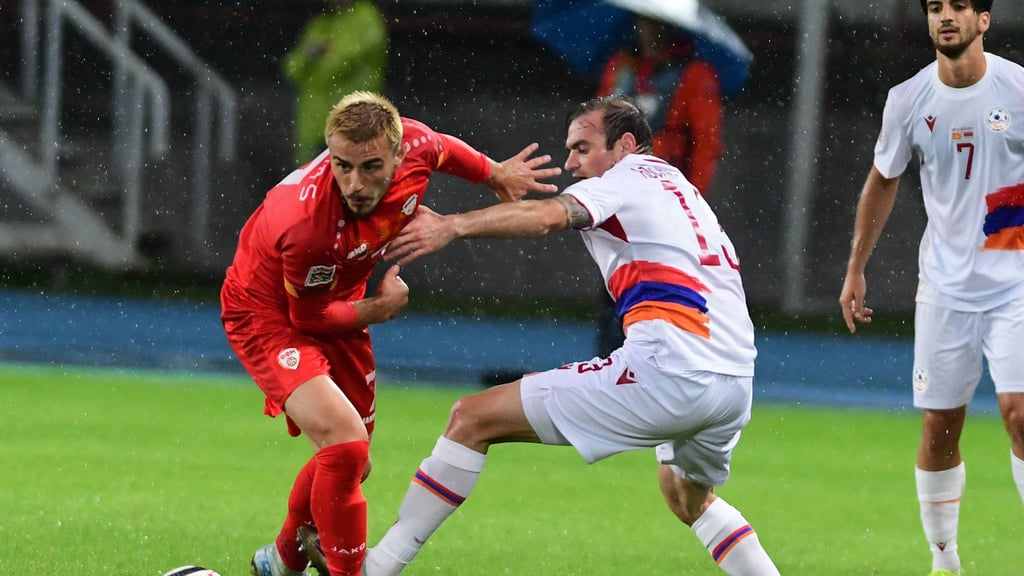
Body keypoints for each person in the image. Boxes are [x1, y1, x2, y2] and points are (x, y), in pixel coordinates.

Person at [358, 95, 780, 575]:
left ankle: (375, 568)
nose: (570, 162)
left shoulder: (624, 178)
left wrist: (452, 225)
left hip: (671, 370)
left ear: (624, 145)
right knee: (687, 497)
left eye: (582, 147)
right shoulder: (677, 186)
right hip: (735, 381)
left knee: (471, 418)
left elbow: (546, 217)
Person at [220, 90, 560, 576]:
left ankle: (281, 561)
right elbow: (308, 320)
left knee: (353, 463)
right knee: (344, 443)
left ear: (399, 155)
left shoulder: (415, 145)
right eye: (341, 166)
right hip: (270, 314)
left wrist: (495, 174)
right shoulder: (305, 222)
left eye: (370, 167)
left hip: (342, 297)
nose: (354, 184)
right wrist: (378, 309)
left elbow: (442, 146)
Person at [838, 2, 1024, 575]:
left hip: (1016, 282)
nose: (947, 16)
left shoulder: (1017, 89)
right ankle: (945, 562)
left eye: (960, 6)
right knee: (941, 426)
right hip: (945, 289)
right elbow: (883, 180)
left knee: (1020, 414)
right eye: (936, 7)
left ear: (984, 20)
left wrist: (1005, 221)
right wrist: (855, 267)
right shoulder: (909, 98)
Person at [594, 15, 724, 356]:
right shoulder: (620, 67)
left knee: (656, 302)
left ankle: (650, 377)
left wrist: (690, 204)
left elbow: (706, 145)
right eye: (643, 20)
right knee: (615, 297)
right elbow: (593, 132)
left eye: (654, 22)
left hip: (663, 210)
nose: (647, 28)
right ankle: (613, 378)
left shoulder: (695, 75)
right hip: (616, 207)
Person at [282, 0, 388, 164]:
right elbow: (291, 69)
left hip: (352, 126)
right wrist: (313, 55)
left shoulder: (366, 18)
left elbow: (343, 63)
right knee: (310, 187)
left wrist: (313, 64)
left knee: (351, 184)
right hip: (312, 126)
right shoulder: (321, 23)